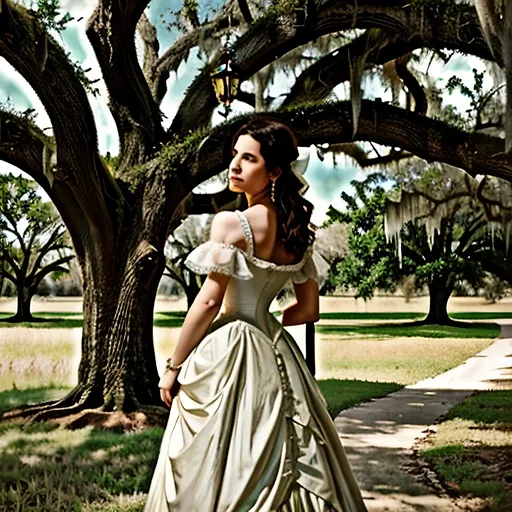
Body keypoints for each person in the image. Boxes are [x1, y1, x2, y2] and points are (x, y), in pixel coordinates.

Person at [145, 118, 367, 512]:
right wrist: (273, 323)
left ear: (275, 172)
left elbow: (210, 301)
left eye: (249, 159)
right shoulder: (299, 233)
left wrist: (173, 366)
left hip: (228, 347)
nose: (235, 166)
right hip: (274, 349)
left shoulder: (232, 224)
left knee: (219, 458)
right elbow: (308, 309)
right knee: (291, 448)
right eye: (234, 156)